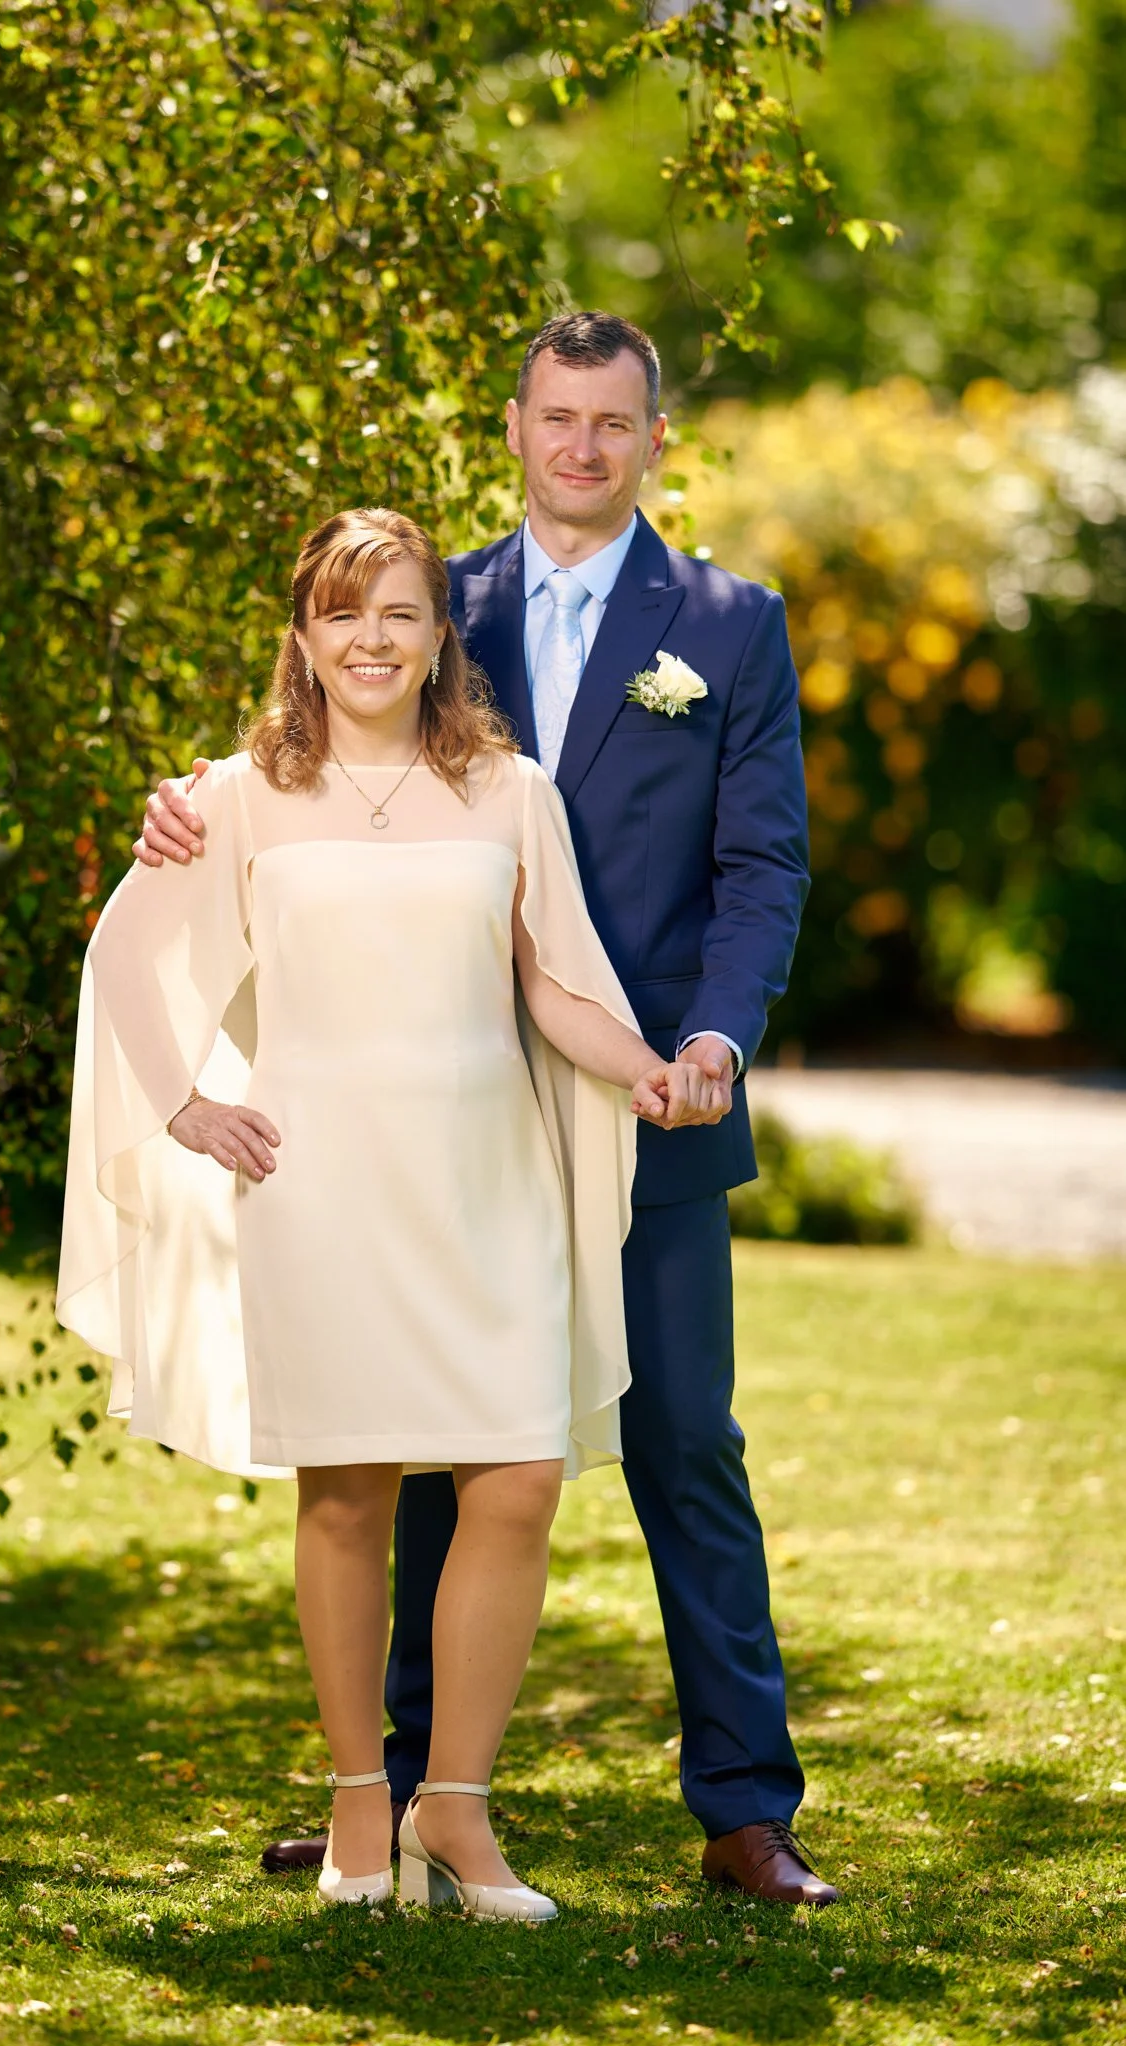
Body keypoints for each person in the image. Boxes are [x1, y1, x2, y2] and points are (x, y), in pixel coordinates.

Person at [135, 312, 836, 1908]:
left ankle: (741, 1807)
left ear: (656, 438)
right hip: (415, 1122)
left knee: (680, 1447)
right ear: (511, 428)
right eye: (555, 418)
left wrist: (713, 1038)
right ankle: (381, 1802)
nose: (582, 447)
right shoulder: (422, 600)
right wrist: (179, 813)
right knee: (403, 1434)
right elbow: (296, 762)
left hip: (640, 1097)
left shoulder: (728, 625)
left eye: (613, 422)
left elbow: (759, 865)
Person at [58, 506, 729, 1921]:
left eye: (401, 613)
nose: (372, 639)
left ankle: (458, 1813)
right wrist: (183, 1101)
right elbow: (127, 947)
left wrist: (653, 1074)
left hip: (485, 1181)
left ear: (439, 638)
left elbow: (553, 987)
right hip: (321, 1184)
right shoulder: (233, 796)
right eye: (343, 614)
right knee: (347, 1488)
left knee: (518, 1479)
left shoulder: (507, 792)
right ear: (304, 637)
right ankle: (361, 1804)